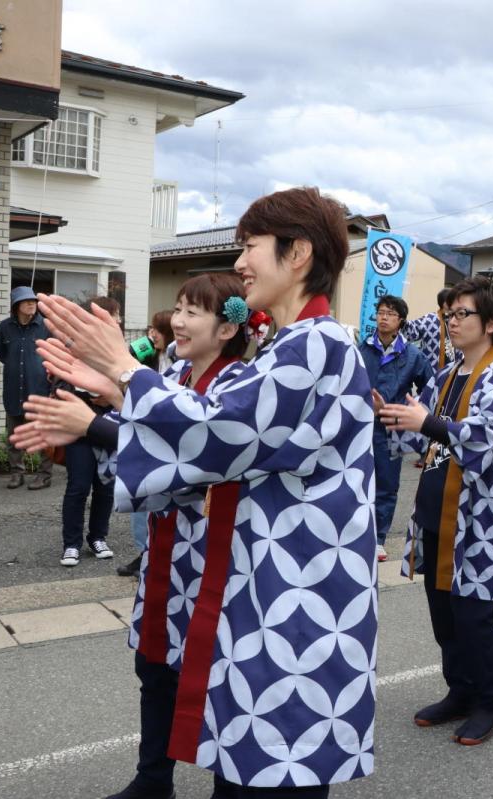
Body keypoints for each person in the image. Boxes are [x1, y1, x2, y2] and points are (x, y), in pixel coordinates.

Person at [36, 186, 378, 796]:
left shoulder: (318, 342)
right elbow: (211, 438)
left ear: (298, 252)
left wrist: (122, 372)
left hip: (292, 596)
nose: (240, 262)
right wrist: (118, 388)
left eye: (250, 246)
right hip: (274, 587)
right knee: (250, 767)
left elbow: (217, 433)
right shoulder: (294, 344)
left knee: (272, 769)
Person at [14, 272, 250, 799]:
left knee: (215, 677)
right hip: (168, 550)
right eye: (178, 308)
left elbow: (191, 461)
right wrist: (100, 402)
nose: (178, 321)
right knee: (155, 667)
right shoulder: (174, 375)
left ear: (228, 328)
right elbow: (147, 438)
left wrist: (95, 422)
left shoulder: (239, 386)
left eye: (193, 312)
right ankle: (153, 780)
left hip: (216, 562)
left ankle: (227, 786)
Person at [383, 275, 493, 747]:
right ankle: (460, 690)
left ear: (491, 322)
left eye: (462, 314)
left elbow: (483, 437)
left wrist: (426, 421)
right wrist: (393, 417)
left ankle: (492, 701)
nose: (452, 322)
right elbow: (421, 431)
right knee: (443, 613)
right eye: (450, 314)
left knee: (473, 615)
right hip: (437, 510)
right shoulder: (447, 375)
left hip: (478, 520)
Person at [361, 294, 434, 563]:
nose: (383, 317)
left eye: (390, 313)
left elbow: (431, 387)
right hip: (361, 425)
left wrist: (411, 411)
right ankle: (357, 533)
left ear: (400, 320)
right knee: (358, 480)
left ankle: (379, 538)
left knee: (386, 484)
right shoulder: (362, 349)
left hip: (392, 428)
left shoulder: (412, 355)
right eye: (381, 312)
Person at [56, 296, 123, 567]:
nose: (118, 320)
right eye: (115, 314)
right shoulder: (73, 347)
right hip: (79, 428)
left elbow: (131, 385)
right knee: (78, 486)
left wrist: (113, 396)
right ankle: (71, 544)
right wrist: (86, 394)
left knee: (105, 487)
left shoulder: (120, 350)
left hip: (109, 427)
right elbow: (58, 385)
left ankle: (98, 537)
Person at [119, 309, 178, 577]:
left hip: (167, 445)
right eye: (150, 329)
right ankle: (144, 554)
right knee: (141, 506)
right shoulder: (149, 358)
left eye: (156, 329)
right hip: (145, 439)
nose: (151, 334)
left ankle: (155, 556)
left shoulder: (180, 361)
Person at [0, 286, 53, 489]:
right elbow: (1, 354)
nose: (31, 303)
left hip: (39, 390)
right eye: (26, 301)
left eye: (33, 300)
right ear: (15, 305)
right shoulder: (5, 327)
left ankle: (44, 475)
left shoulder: (45, 326)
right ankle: (16, 473)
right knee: (15, 435)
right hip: (13, 389)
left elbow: (55, 353)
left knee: (42, 435)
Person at [405, 287, 457, 374]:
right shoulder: (431, 319)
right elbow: (411, 331)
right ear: (445, 303)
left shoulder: (456, 320)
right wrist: (400, 321)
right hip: (431, 371)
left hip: (452, 372)